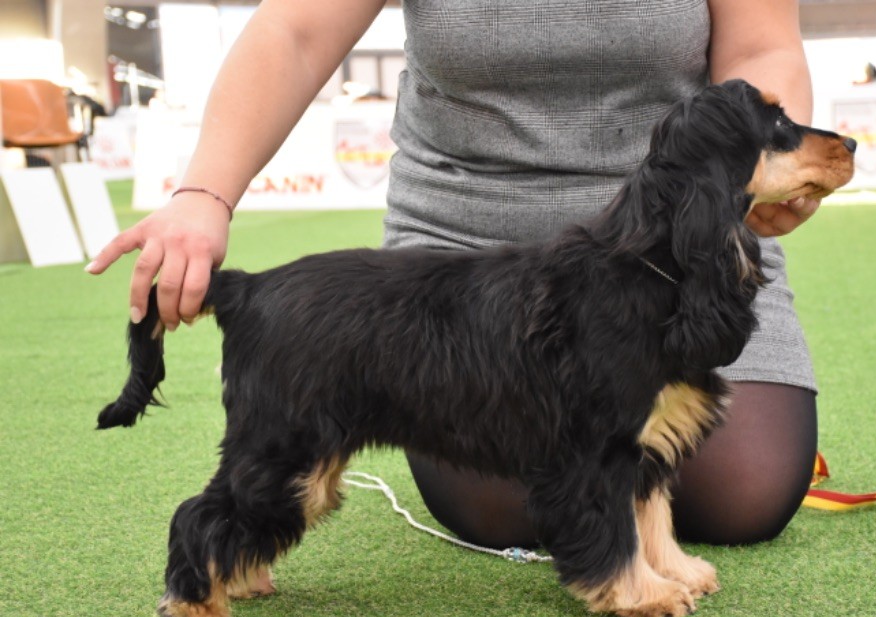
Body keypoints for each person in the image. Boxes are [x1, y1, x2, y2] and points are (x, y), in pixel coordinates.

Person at [87, 0, 826, 548]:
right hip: (465, 265)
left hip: (681, 242)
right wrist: (204, 193)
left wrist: (766, 162)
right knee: (521, 503)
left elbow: (761, 46)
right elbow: (294, 30)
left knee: (744, 495)